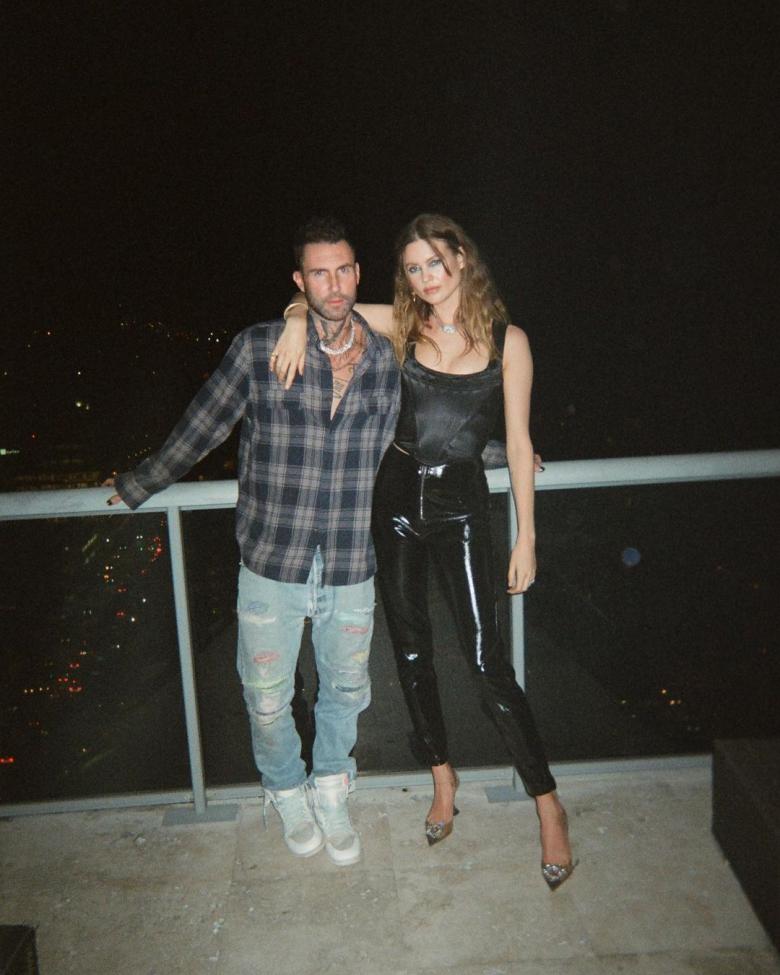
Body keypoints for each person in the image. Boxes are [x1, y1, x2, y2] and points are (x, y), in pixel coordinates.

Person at [274, 213, 574, 889]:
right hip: (394, 502)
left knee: (486, 660)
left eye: (434, 262)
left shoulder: (508, 340)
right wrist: (295, 318)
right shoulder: (403, 325)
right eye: (413, 268)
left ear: (462, 258)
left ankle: (548, 803)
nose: (425, 277)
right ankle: (442, 776)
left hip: (462, 506)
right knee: (411, 652)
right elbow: (326, 302)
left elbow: (518, 443)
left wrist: (526, 535)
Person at [104, 217, 400, 865]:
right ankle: (286, 788)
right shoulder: (261, 348)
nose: (334, 284)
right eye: (318, 273)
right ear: (300, 281)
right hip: (272, 556)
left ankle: (332, 785)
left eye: (343, 270)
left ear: (358, 274)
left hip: (350, 559)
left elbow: (431, 422)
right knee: (266, 697)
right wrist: (140, 482)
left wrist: (505, 453)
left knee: (347, 690)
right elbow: (205, 423)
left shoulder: (385, 359)